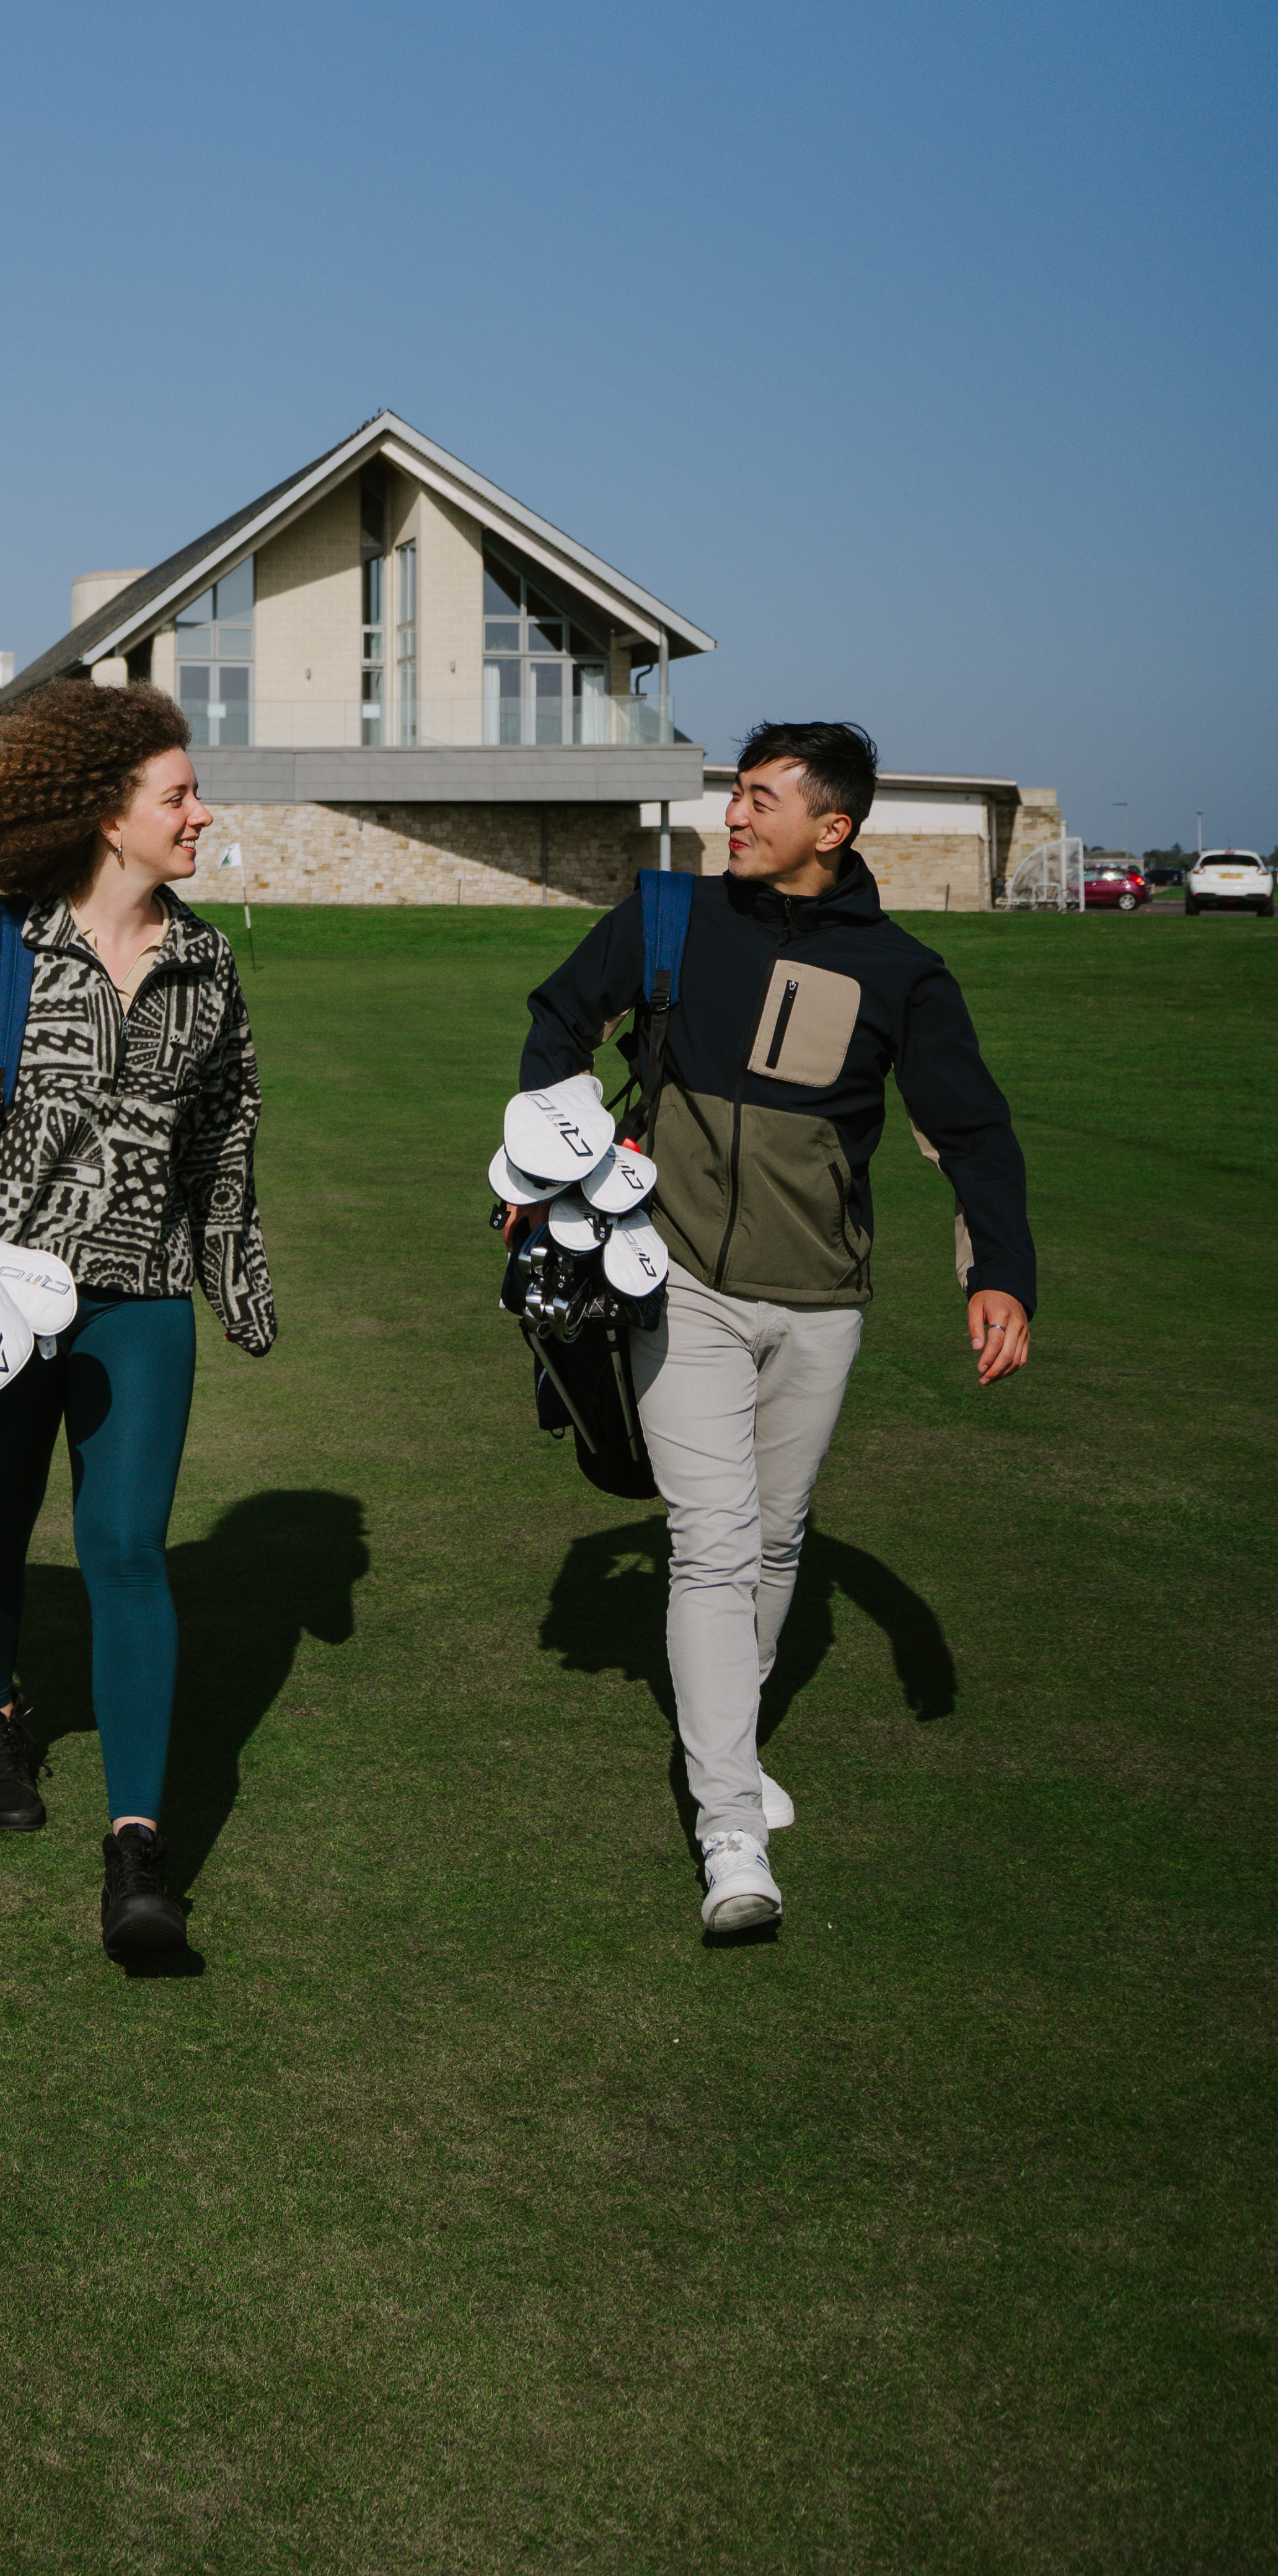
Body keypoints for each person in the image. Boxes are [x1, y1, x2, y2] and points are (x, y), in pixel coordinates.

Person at [506, 722, 1035, 1939]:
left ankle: (724, 1743)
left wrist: (996, 1272)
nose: (730, 816)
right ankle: (729, 1827)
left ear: (830, 828)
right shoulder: (664, 915)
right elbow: (553, 1026)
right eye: (731, 794)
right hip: (674, 1280)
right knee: (712, 1540)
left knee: (778, 1536)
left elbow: (970, 1130)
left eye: (755, 800)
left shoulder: (900, 971)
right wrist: (553, 1158)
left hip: (822, 1300)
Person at [0, 679, 277, 1963]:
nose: (199, 814)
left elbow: (229, 1130)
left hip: (140, 1302)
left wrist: (235, 1280)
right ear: (106, 816)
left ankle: (136, 1854)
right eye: (176, 796)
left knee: (127, 1550)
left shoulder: (208, 966)